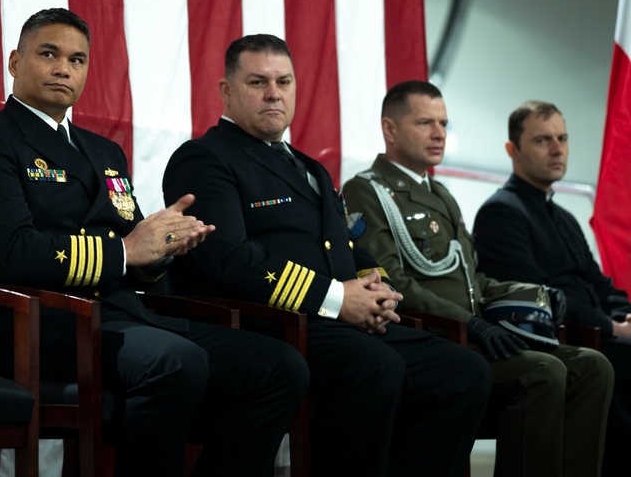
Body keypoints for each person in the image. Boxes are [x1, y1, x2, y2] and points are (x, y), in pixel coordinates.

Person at [0, 9, 307, 477]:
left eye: (77, 60)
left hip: (121, 315)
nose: (64, 68)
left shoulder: (103, 151)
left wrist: (165, 246)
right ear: (15, 62)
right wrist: (126, 252)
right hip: (47, 322)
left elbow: (136, 250)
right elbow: (12, 252)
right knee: (176, 361)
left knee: (281, 366)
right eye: (49, 54)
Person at [162, 35, 490, 477]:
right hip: (273, 322)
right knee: (375, 365)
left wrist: (379, 291)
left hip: (337, 320)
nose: (274, 92)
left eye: (284, 81)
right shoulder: (204, 158)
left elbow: (351, 249)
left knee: (462, 371)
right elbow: (228, 261)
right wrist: (338, 298)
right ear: (226, 90)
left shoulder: (309, 167)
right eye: (258, 81)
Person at [341, 81, 614, 477]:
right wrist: (470, 323)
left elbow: (473, 278)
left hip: (475, 332)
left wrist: (537, 295)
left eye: (444, 124)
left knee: (593, 365)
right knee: (543, 372)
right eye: (425, 123)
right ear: (390, 129)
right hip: (434, 337)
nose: (438, 134)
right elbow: (394, 283)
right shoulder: (367, 191)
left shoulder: (440, 194)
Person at [472, 100, 631, 477]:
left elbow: (598, 284)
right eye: (543, 140)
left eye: (562, 138)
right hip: (563, 337)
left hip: (597, 333)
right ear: (513, 150)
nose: (558, 149)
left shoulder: (565, 217)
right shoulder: (501, 212)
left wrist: (625, 313)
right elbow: (536, 298)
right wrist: (613, 328)